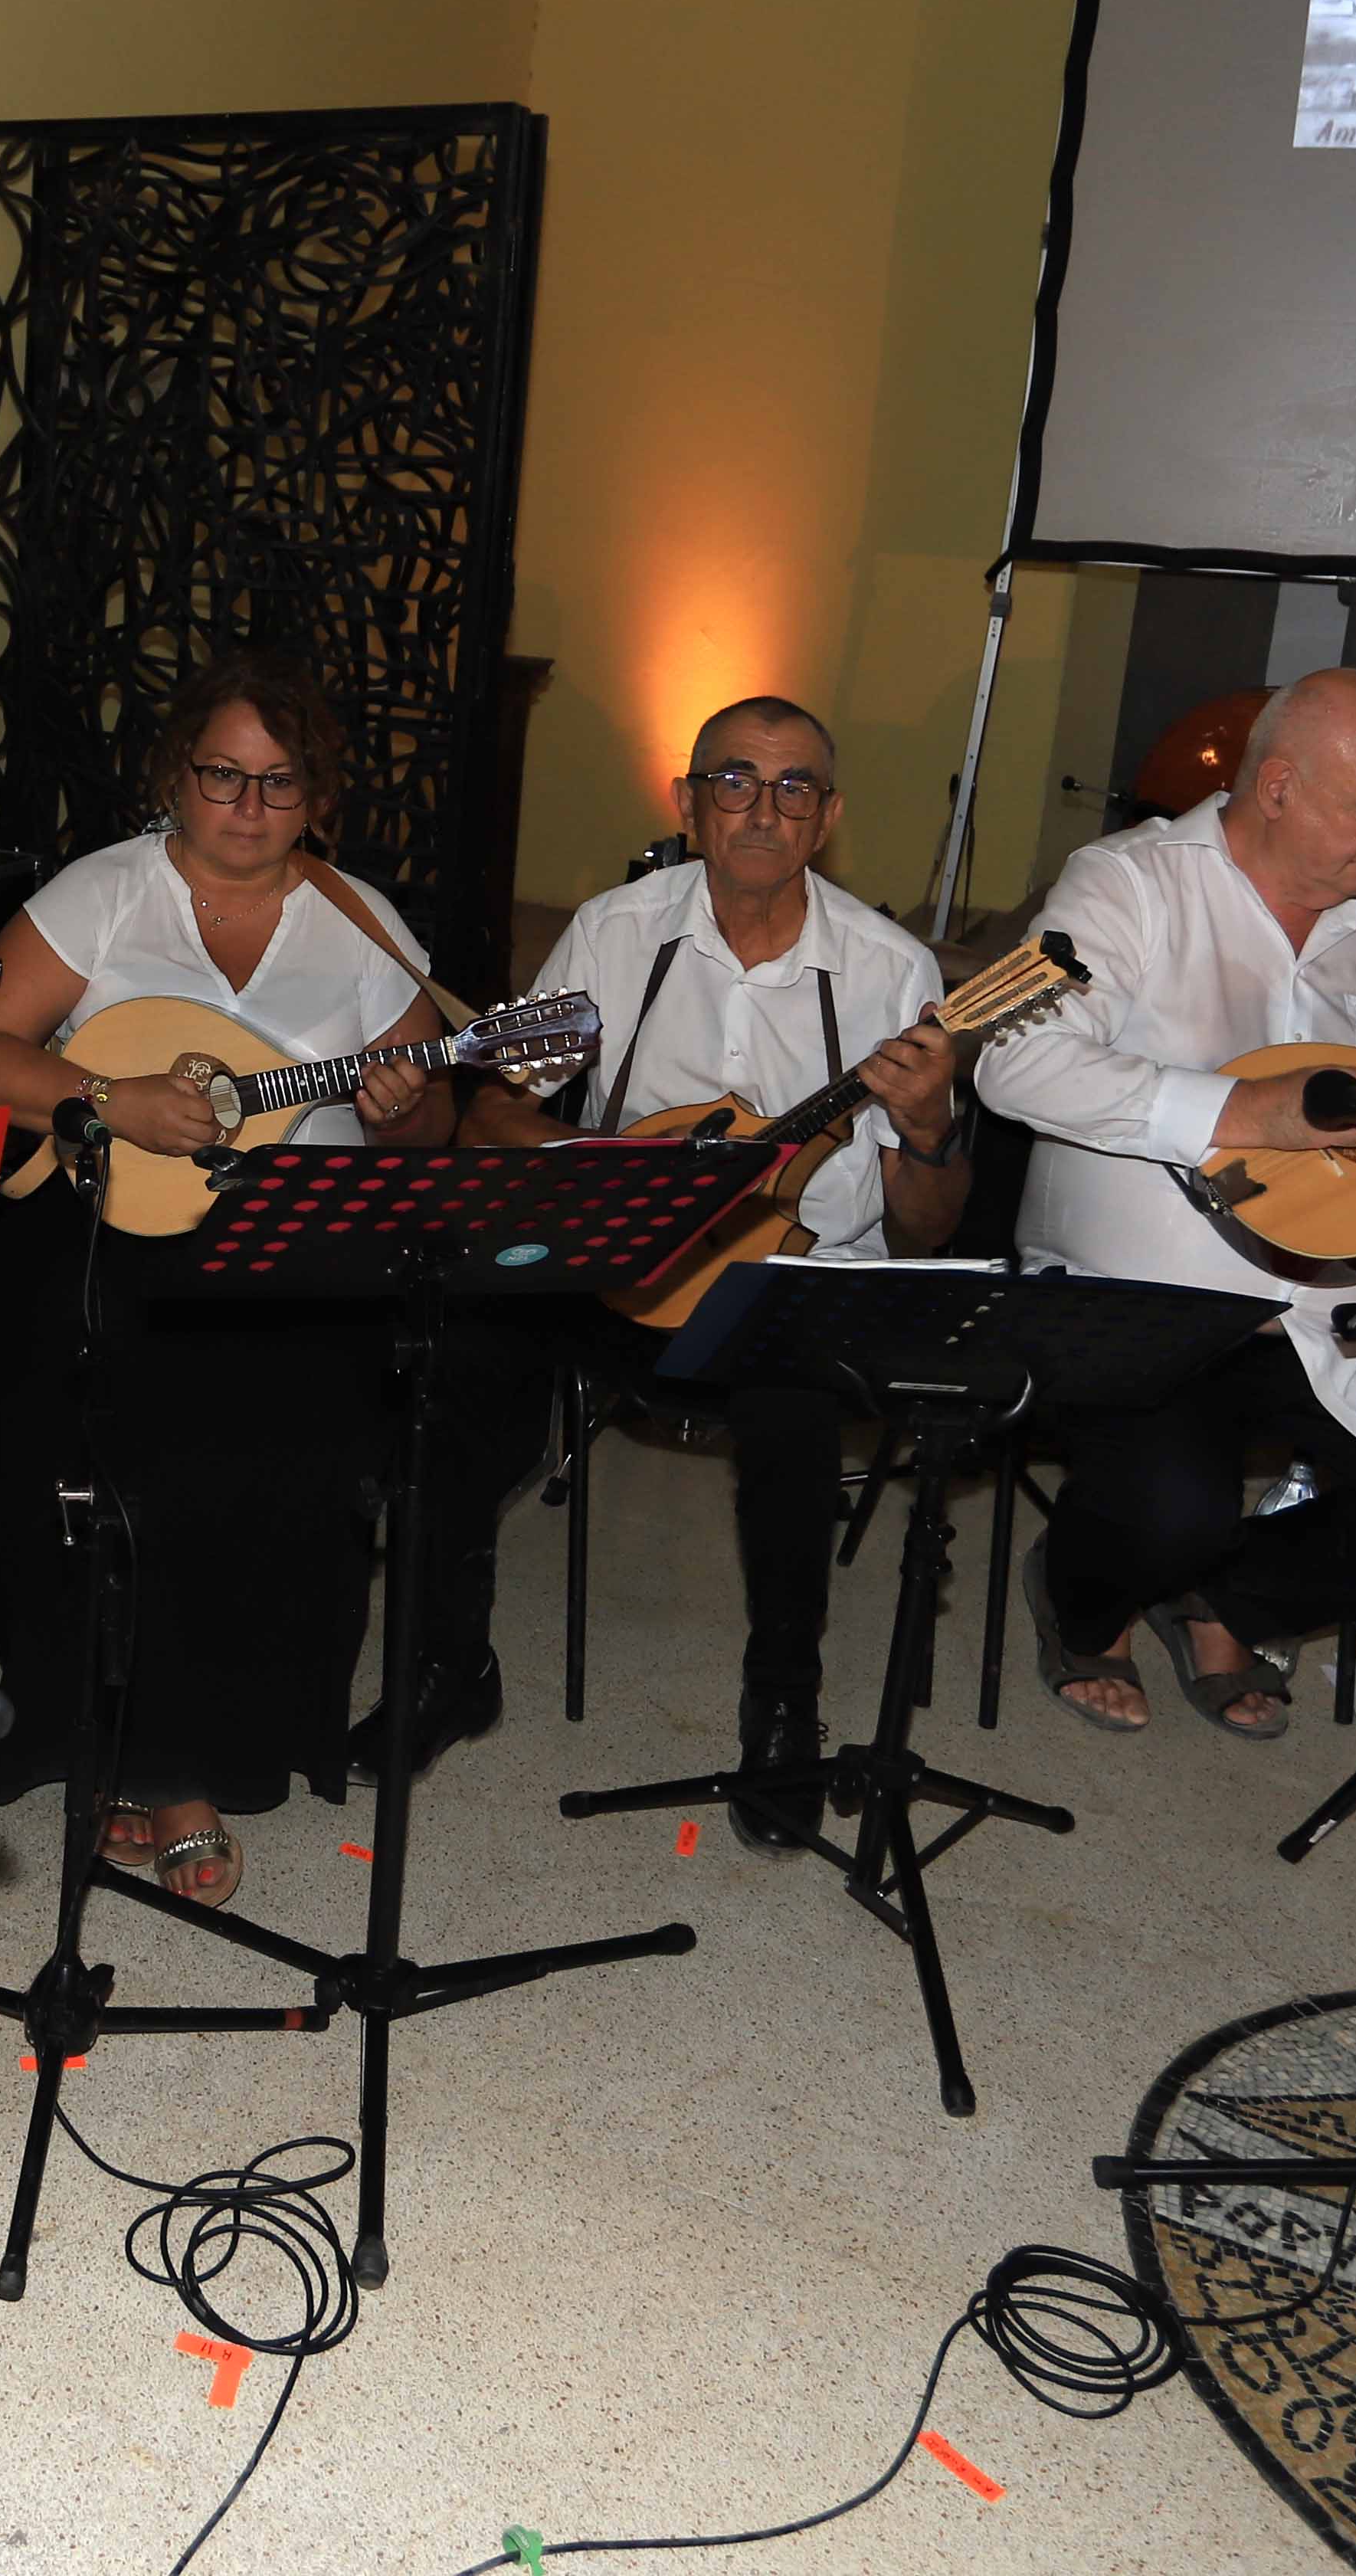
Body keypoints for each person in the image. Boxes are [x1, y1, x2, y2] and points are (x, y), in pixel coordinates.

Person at [0, 651, 463, 1906]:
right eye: (222, 773)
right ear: (177, 773)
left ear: (316, 798)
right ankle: (149, 1760)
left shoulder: (366, 923)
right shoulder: (107, 895)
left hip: (294, 1233)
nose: (246, 803)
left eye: (279, 783)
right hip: (112, 1209)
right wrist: (109, 1093)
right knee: (110, 1404)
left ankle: (229, 1736)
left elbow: (431, 1123)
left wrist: (397, 1108)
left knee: (288, 1438)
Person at [976, 670, 1356, 1741]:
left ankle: (1234, 1599)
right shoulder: (1122, 884)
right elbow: (1013, 1067)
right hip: (1145, 1297)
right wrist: (1243, 1110)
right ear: (1282, 786)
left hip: (1334, 1309)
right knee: (1169, 1508)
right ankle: (1087, 1601)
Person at [435, 700, 966, 1855]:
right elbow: (492, 1113)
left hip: (800, 1282)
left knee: (790, 1402)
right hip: (626, 1264)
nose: (762, 809)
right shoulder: (613, 932)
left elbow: (924, 1235)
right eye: (736, 780)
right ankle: (449, 1661)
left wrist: (925, 1130)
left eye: (792, 789)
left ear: (826, 820)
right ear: (689, 802)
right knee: (462, 1340)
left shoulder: (890, 968)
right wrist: (607, 1174)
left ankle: (783, 1709)